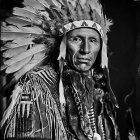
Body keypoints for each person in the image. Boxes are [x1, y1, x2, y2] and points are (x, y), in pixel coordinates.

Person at [0, 0, 120, 139]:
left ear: (101, 47)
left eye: (93, 40)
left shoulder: (100, 89)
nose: (85, 50)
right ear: (61, 44)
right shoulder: (36, 85)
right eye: (76, 39)